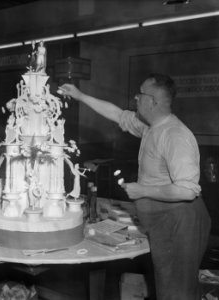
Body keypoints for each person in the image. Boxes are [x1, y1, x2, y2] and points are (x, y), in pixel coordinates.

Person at [58, 74, 211, 300]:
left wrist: (143, 190)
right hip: (164, 220)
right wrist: (80, 96)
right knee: (168, 286)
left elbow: (188, 190)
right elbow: (117, 114)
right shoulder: (151, 126)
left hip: (181, 221)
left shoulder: (175, 135)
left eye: (140, 94)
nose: (135, 98)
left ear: (152, 102)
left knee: (176, 291)